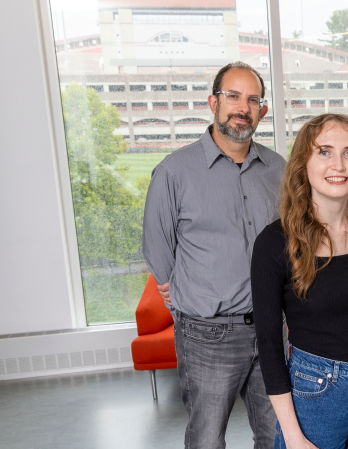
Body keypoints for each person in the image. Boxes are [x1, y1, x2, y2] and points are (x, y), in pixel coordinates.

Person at [250, 113, 348, 449]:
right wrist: (293, 436)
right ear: (303, 164)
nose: (338, 164)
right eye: (324, 151)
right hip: (315, 394)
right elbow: (268, 344)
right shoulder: (274, 243)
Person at [142, 61, 282, 449]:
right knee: (207, 438)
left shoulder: (279, 170)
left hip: (272, 326)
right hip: (208, 334)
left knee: (276, 435)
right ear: (213, 103)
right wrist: (184, 291)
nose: (243, 107)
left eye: (253, 100)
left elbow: (291, 241)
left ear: (262, 111)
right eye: (232, 96)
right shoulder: (175, 171)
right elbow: (157, 246)